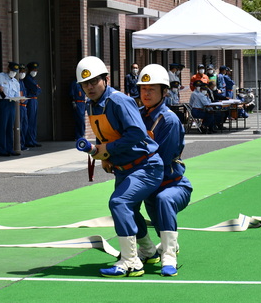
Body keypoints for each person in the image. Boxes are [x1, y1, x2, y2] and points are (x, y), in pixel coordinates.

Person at [76, 55, 163, 278]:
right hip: (124, 167)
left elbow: (136, 133)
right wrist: (104, 155)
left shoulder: (119, 101)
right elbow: (105, 135)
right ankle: (148, 251)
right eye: (85, 83)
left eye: (94, 81)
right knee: (129, 209)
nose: (89, 87)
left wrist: (108, 150)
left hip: (145, 165)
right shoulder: (91, 105)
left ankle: (131, 262)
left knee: (119, 202)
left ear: (105, 79)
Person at [136, 64, 192, 277]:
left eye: (152, 89)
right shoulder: (137, 115)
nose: (146, 93)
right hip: (148, 186)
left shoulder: (169, 120)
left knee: (164, 200)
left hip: (172, 185)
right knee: (123, 202)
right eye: (143, 89)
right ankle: (147, 250)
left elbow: (162, 160)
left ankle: (169, 255)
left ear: (164, 91)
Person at [0, 61, 21, 156]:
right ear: (8, 69)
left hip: (12, 103)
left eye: (15, 71)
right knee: (2, 126)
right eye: (12, 70)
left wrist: (20, 99)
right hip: (3, 103)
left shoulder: (15, 82)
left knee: (10, 127)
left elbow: (17, 94)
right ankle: (2, 149)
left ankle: (10, 149)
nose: (14, 73)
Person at [24, 61, 42, 147]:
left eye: (36, 69)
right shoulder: (28, 78)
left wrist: (36, 90)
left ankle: (33, 139)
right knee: (30, 120)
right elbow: (36, 89)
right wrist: (36, 90)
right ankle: (29, 140)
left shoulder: (33, 79)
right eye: (33, 69)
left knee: (34, 121)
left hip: (34, 100)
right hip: (30, 100)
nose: (35, 71)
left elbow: (38, 90)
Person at [17, 64, 30, 150]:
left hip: (24, 106)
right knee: (20, 127)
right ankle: (20, 145)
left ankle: (23, 144)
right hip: (20, 106)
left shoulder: (22, 82)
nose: (23, 73)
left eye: (24, 71)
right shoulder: (17, 82)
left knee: (25, 126)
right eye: (21, 71)